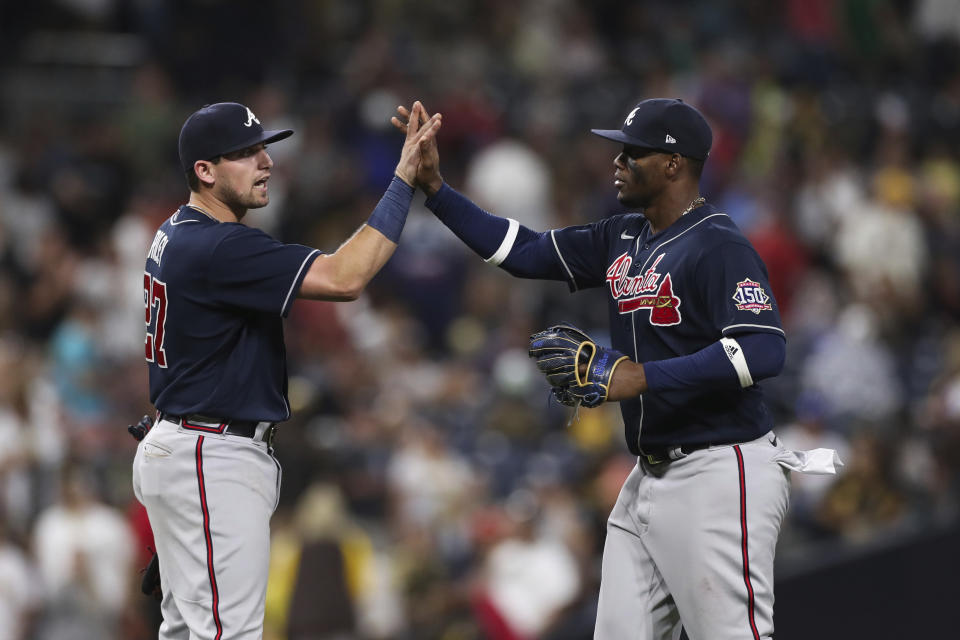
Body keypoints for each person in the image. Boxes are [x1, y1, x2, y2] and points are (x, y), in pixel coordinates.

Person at [392, 98, 839, 639]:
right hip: (649, 476)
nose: (617, 162)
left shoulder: (720, 245)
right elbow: (523, 251)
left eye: (633, 152)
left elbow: (763, 351)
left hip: (721, 471)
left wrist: (639, 376)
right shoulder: (622, 235)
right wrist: (436, 190)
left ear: (673, 164)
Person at [133, 100, 441, 639]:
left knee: (186, 633)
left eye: (264, 149)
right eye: (246, 153)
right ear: (203, 171)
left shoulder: (174, 232)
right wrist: (403, 181)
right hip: (209, 455)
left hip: (183, 445)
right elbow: (345, 279)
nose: (265, 161)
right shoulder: (219, 246)